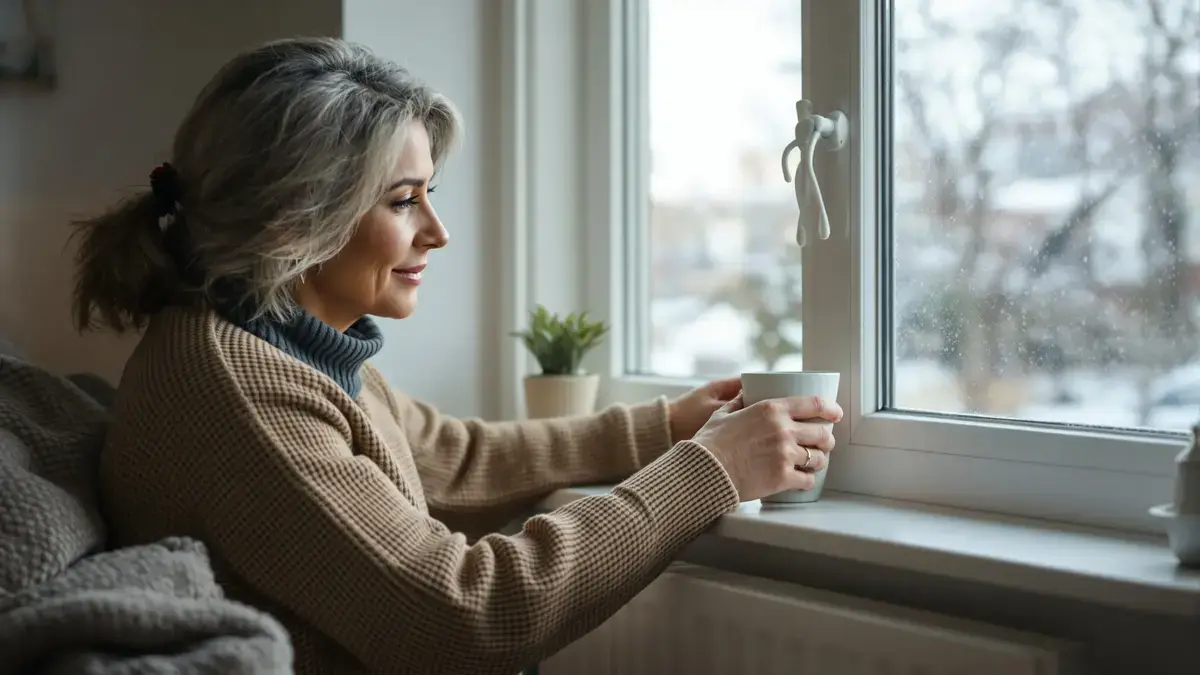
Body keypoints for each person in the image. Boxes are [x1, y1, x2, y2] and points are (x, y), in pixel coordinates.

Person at [72, 37, 841, 675]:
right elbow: (465, 612)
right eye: (405, 200)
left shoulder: (278, 339)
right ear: (293, 219)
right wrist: (712, 471)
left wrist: (664, 426)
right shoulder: (234, 391)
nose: (437, 231)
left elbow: (451, 456)